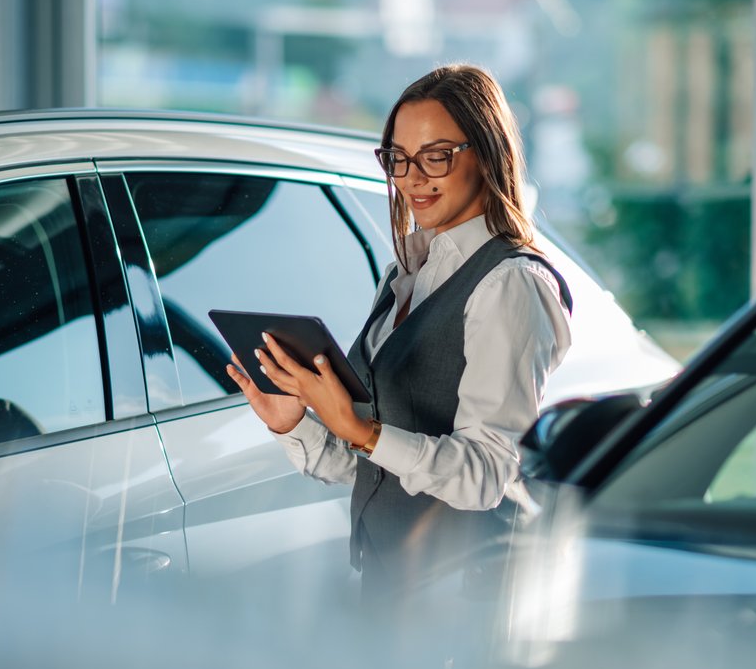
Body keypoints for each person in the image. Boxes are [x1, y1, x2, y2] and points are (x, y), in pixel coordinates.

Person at [226, 64, 572, 606]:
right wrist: (296, 426)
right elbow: (375, 468)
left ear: (485, 154)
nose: (412, 177)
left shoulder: (508, 283)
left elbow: (486, 475)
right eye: (398, 159)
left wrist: (362, 433)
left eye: (436, 155)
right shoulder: (408, 271)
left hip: (464, 599)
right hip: (395, 587)